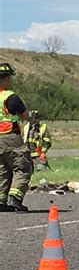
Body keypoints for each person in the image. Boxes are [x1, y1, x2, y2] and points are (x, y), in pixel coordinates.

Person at [0, 62, 31, 211]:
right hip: (9, 136)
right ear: (5, 79)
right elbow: (24, 115)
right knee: (22, 166)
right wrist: (31, 117)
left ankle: (1, 201)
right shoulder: (9, 96)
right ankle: (15, 198)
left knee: (3, 169)